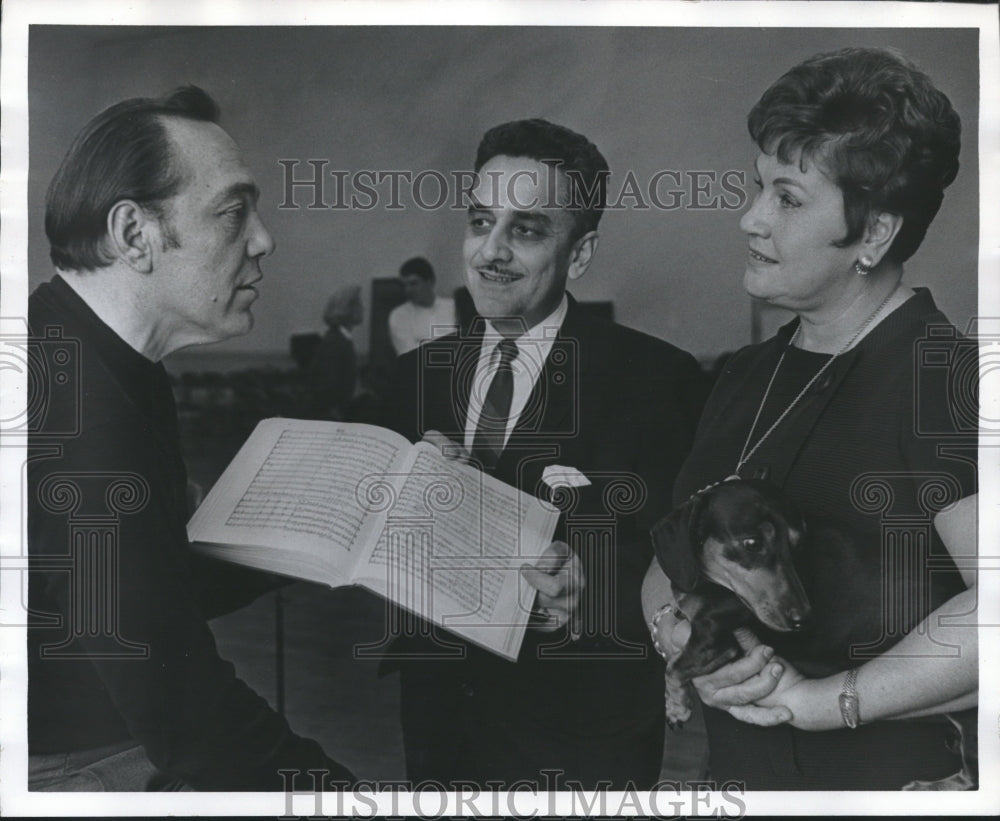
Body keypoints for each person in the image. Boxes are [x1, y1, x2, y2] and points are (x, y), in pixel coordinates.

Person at [642, 48, 977, 790]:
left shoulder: (946, 376)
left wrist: (823, 702)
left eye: (788, 199)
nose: (751, 218)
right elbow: (674, 552)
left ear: (876, 234)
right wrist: (673, 627)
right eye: (758, 186)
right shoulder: (744, 375)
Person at [27, 87, 355, 790]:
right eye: (233, 212)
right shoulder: (83, 415)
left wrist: (338, 530)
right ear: (134, 235)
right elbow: (186, 713)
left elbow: (149, 584)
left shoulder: (85, 349)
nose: (263, 239)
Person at [387, 118, 708, 789]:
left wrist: (591, 592)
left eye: (527, 229)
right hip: (439, 720)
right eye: (480, 222)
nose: (490, 251)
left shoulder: (658, 379)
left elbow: (684, 558)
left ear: (580, 253)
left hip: (587, 731)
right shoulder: (413, 376)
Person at [307, 284, 362, 420]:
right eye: (359, 304)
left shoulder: (341, 339)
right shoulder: (335, 342)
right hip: (331, 418)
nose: (363, 308)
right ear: (348, 310)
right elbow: (327, 386)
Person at [387, 256, 457, 354]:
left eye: (413, 283)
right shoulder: (399, 316)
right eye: (405, 285)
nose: (408, 290)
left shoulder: (454, 307)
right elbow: (410, 355)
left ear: (430, 281)